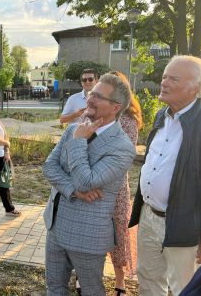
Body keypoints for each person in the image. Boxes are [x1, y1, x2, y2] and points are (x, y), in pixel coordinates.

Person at [129, 55, 201, 296]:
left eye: (173, 78)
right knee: (148, 280)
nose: (164, 82)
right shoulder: (162, 115)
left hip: (188, 227)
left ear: (196, 87)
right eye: (164, 77)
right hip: (150, 217)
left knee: (185, 288)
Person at [43, 73, 136, 295]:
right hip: (55, 227)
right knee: (54, 287)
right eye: (91, 93)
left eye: (98, 96)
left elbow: (87, 182)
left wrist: (79, 141)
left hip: (87, 236)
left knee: (91, 291)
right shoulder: (75, 127)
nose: (90, 98)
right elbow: (49, 167)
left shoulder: (122, 147)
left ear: (116, 107)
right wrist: (73, 190)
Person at [108, 71, 143, 296]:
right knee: (92, 232)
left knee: (118, 234)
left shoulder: (129, 120)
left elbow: (121, 156)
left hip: (116, 188)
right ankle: (84, 275)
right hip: (92, 186)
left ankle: (120, 282)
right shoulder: (96, 115)